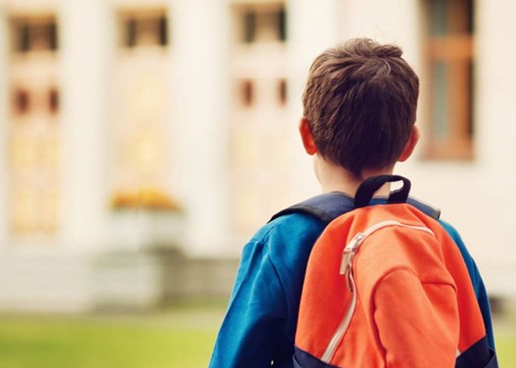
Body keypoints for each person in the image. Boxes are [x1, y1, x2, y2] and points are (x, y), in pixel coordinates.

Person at [209, 38, 495, 368]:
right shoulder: (444, 240)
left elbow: (234, 360)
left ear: (307, 135)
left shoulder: (282, 241)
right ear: (409, 143)